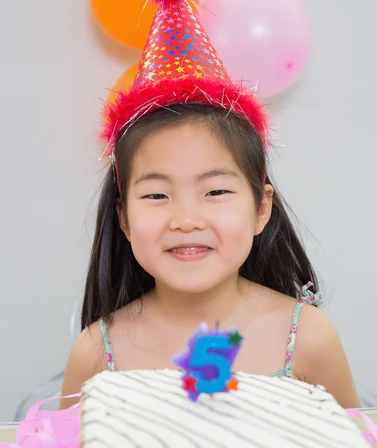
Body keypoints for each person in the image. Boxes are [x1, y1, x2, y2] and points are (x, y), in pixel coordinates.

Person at [61, 0, 360, 409]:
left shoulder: (307, 337)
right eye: (156, 195)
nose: (185, 219)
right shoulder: (97, 351)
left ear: (260, 208)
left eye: (215, 191)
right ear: (124, 218)